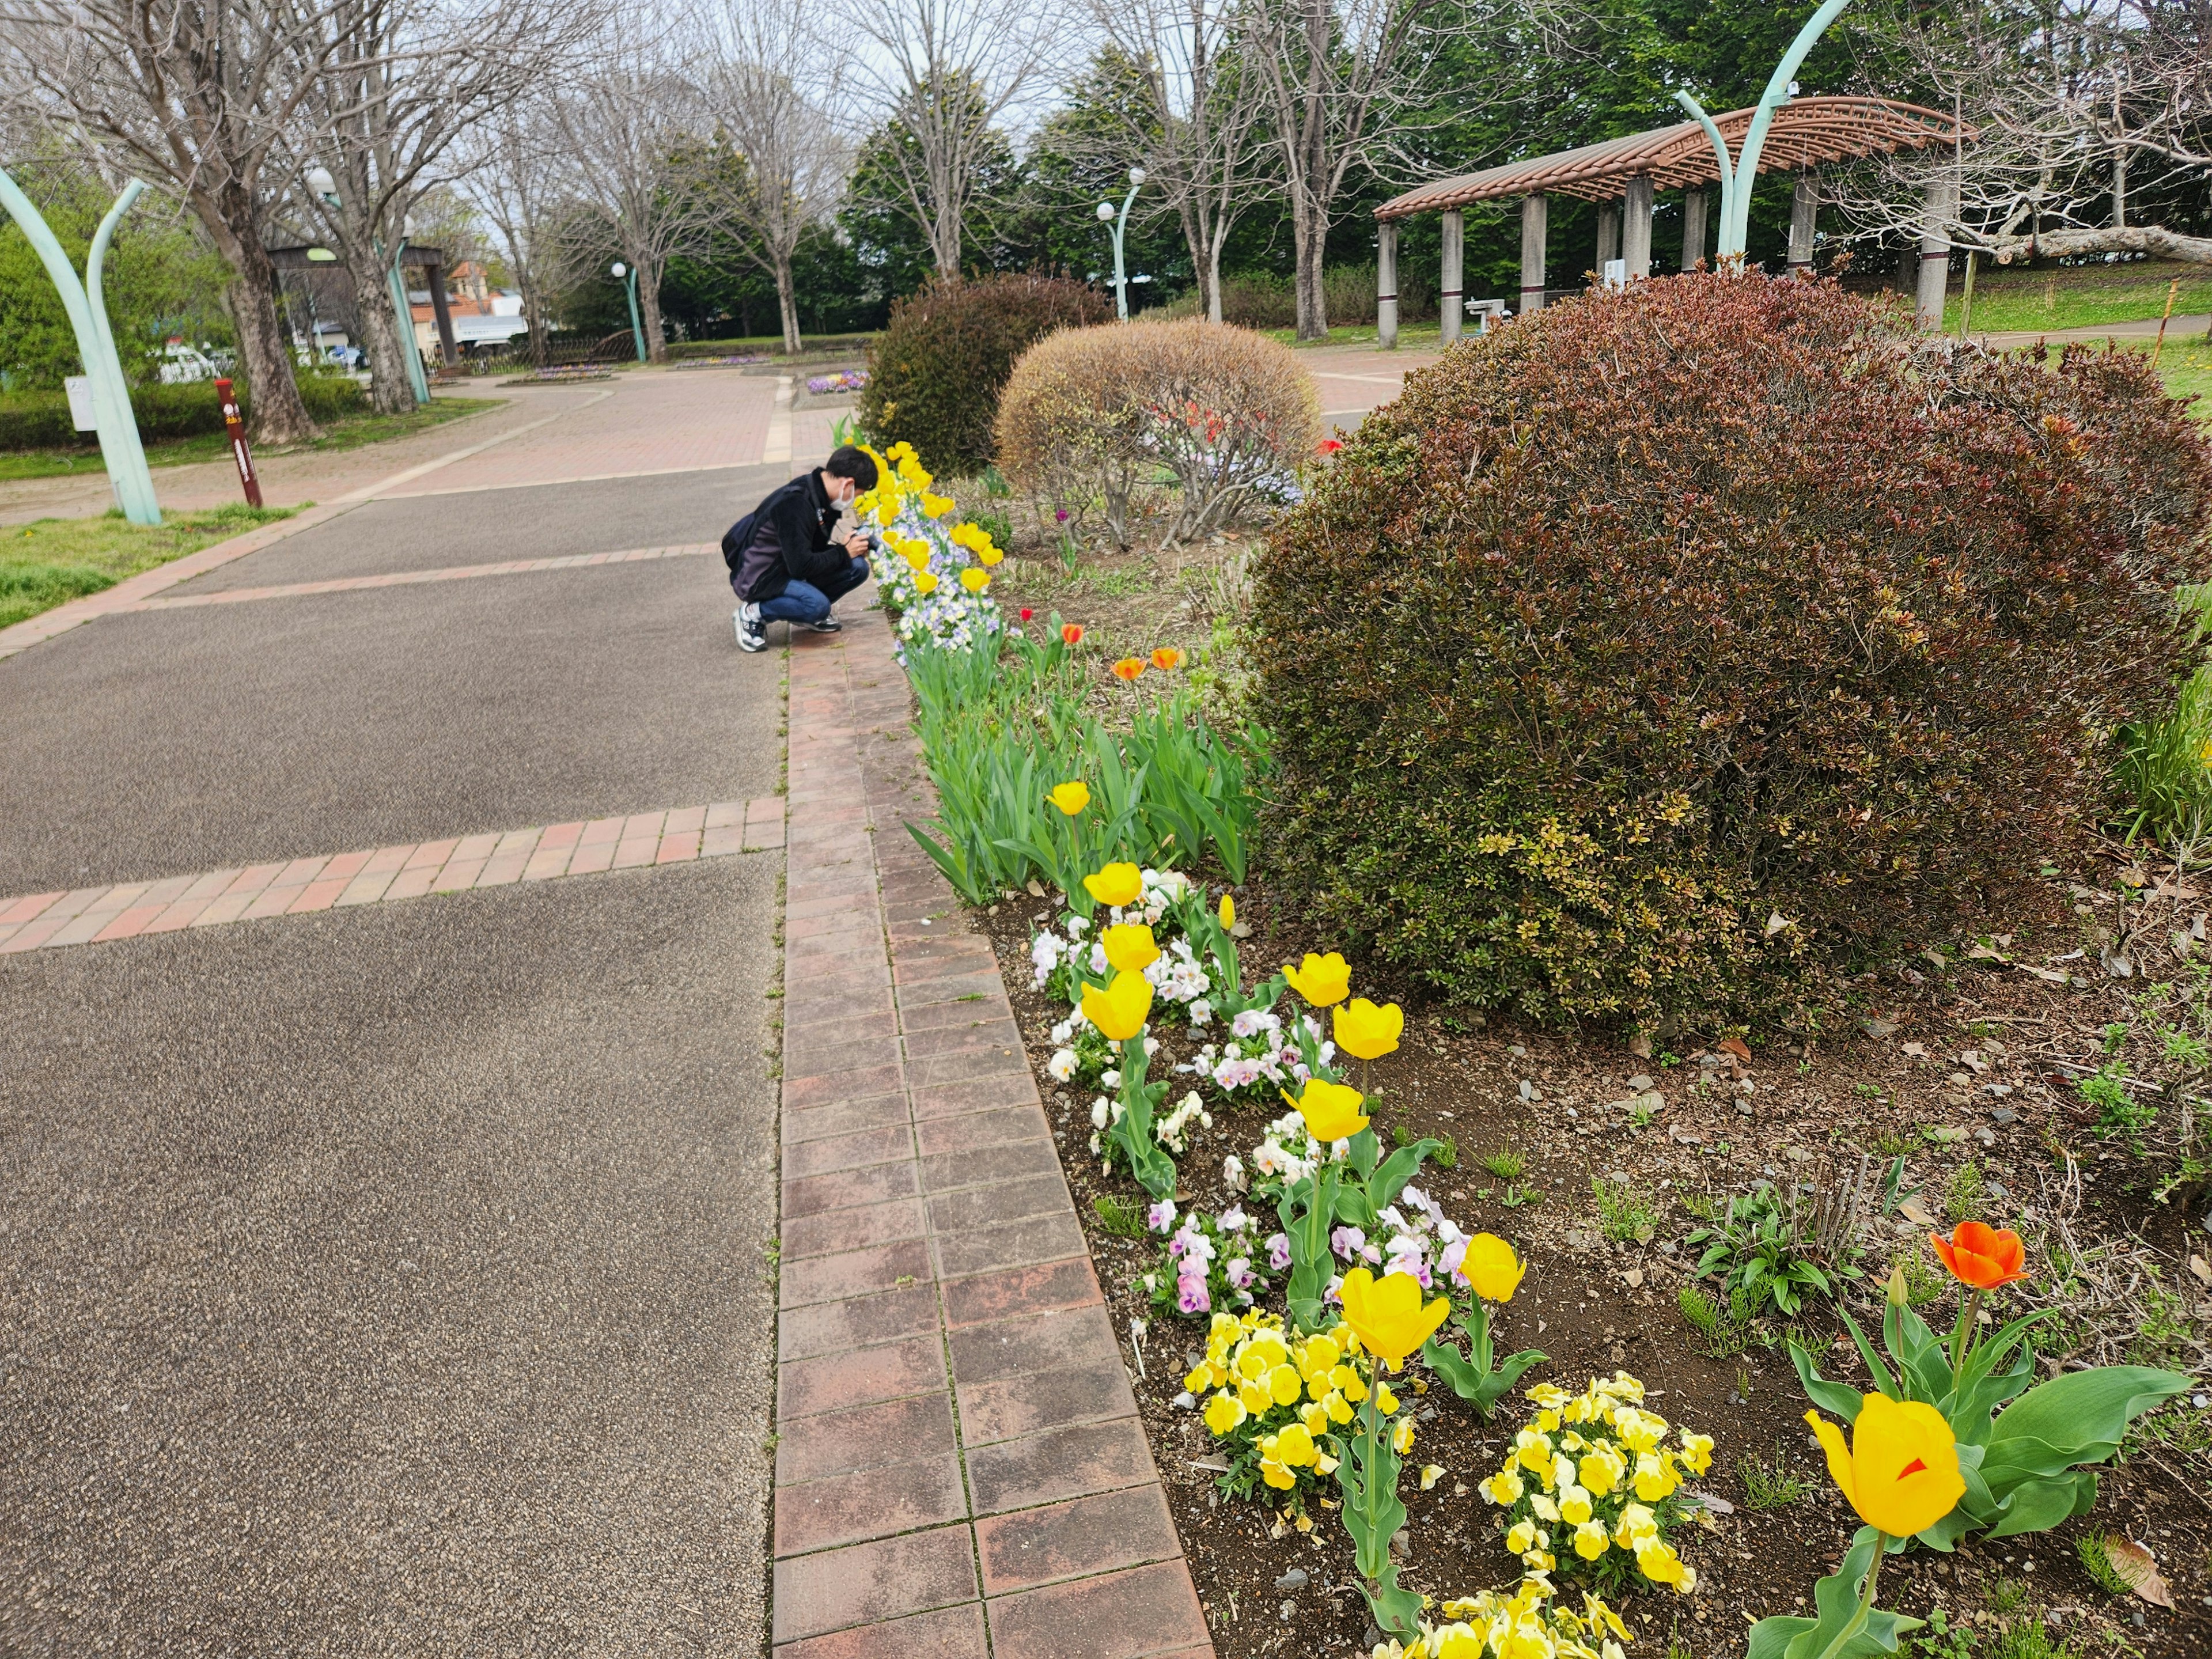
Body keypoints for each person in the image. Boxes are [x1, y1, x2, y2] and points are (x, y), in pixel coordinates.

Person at [730, 445, 878, 653]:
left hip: (788, 566)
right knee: (817, 606)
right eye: (858, 495)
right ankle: (753, 613)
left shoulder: (824, 498)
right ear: (848, 484)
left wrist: (845, 548)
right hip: (761, 576)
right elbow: (802, 566)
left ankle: (809, 614)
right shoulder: (795, 503)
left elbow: (812, 550)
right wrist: (844, 552)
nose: (854, 500)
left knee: (857, 567)